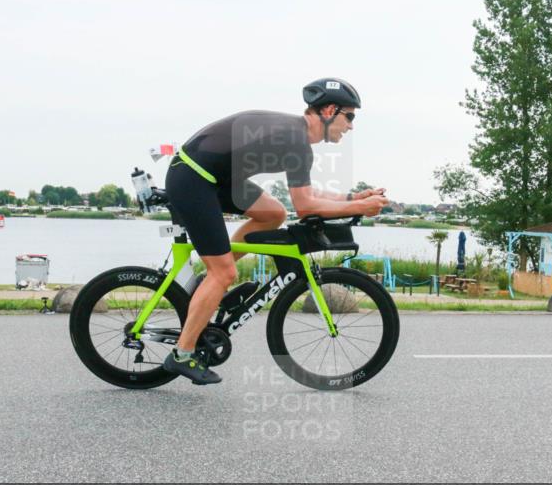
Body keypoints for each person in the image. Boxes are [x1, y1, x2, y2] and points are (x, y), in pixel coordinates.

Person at [162, 78, 388, 385]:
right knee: (224, 273)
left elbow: (306, 194)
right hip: (194, 179)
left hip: (216, 178)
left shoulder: (297, 138)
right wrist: (360, 209)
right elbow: (307, 206)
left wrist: (353, 199)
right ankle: (182, 354)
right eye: (350, 116)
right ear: (330, 110)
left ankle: (209, 281)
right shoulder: (296, 139)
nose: (350, 126)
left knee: (273, 213)